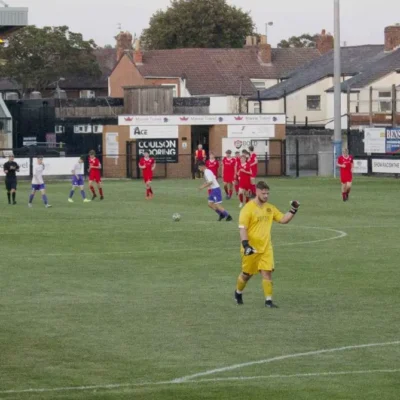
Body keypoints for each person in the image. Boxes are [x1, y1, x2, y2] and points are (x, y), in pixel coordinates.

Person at [234, 181, 300, 308]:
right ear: (257, 192)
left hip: (265, 248)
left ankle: (268, 301)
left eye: (267, 193)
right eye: (263, 193)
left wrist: (293, 209)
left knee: (267, 272)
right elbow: (242, 228)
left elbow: (283, 219)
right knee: (247, 274)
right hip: (251, 248)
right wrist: (246, 245)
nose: (266, 196)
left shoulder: (270, 208)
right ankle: (238, 292)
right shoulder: (247, 209)